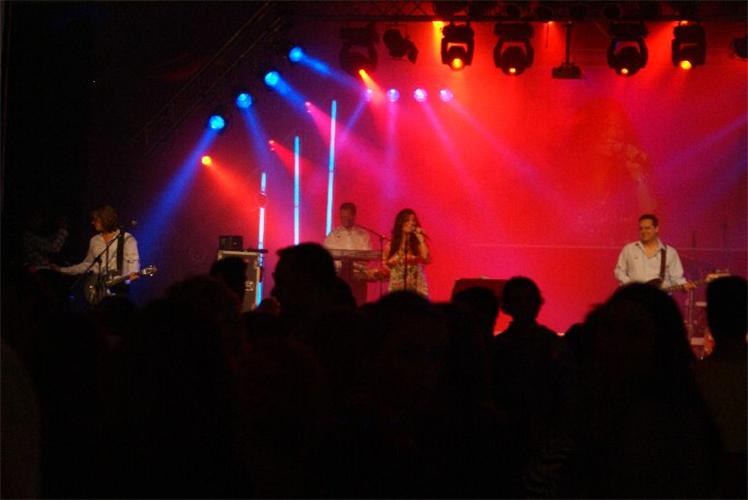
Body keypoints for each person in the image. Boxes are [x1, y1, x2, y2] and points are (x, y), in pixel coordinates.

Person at [55, 205, 140, 298]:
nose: (92, 223)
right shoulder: (94, 240)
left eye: (95, 220)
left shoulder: (127, 238)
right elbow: (87, 264)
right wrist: (62, 270)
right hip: (96, 289)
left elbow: (133, 261)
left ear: (106, 219)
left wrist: (133, 272)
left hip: (118, 289)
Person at [614, 213, 694, 290]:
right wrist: (632, 286)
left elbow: (677, 278)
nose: (643, 231)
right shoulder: (629, 249)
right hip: (635, 297)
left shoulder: (670, 252)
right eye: (641, 228)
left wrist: (684, 285)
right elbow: (619, 271)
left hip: (659, 297)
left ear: (656, 229)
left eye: (647, 228)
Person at [323, 202, 372, 305]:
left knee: (359, 304)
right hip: (339, 278)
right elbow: (326, 256)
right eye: (342, 217)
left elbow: (367, 257)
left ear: (354, 216)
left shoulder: (363, 235)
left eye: (347, 217)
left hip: (358, 277)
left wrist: (353, 263)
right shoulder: (333, 235)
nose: (345, 219)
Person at [383, 208, 430, 297]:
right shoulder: (391, 245)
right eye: (407, 220)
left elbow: (425, 258)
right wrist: (404, 237)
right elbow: (386, 264)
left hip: (416, 285)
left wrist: (421, 240)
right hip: (398, 285)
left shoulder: (417, 243)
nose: (411, 223)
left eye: (413, 220)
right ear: (401, 223)